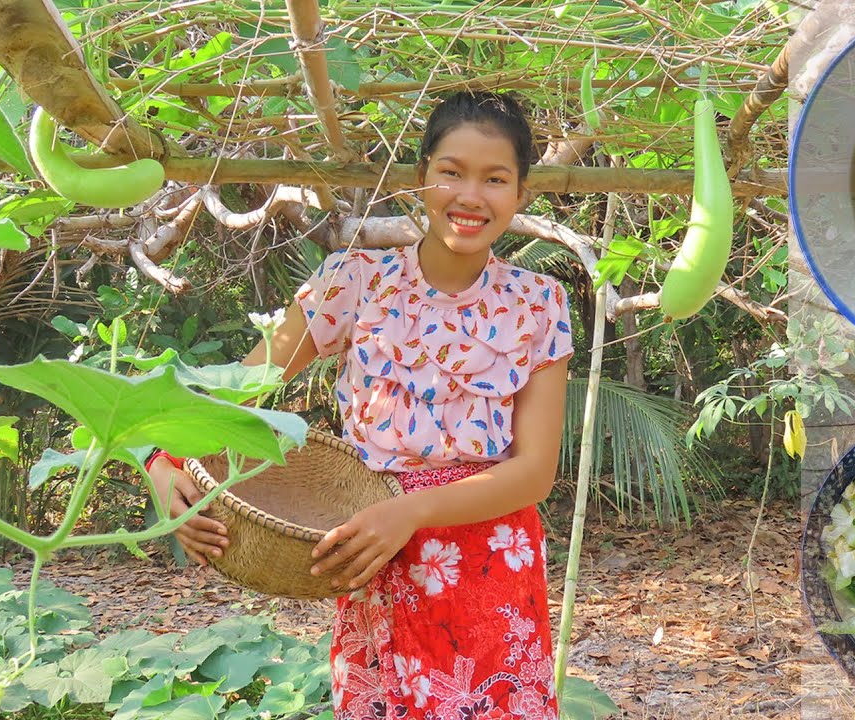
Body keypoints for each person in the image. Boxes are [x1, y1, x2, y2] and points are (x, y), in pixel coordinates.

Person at [147, 91, 573, 719]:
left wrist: (409, 512)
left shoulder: (540, 301)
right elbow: (242, 386)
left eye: (495, 179)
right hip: (371, 557)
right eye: (451, 172)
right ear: (420, 176)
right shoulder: (355, 280)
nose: (471, 196)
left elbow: (535, 472)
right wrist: (163, 460)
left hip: (489, 567)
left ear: (520, 192)